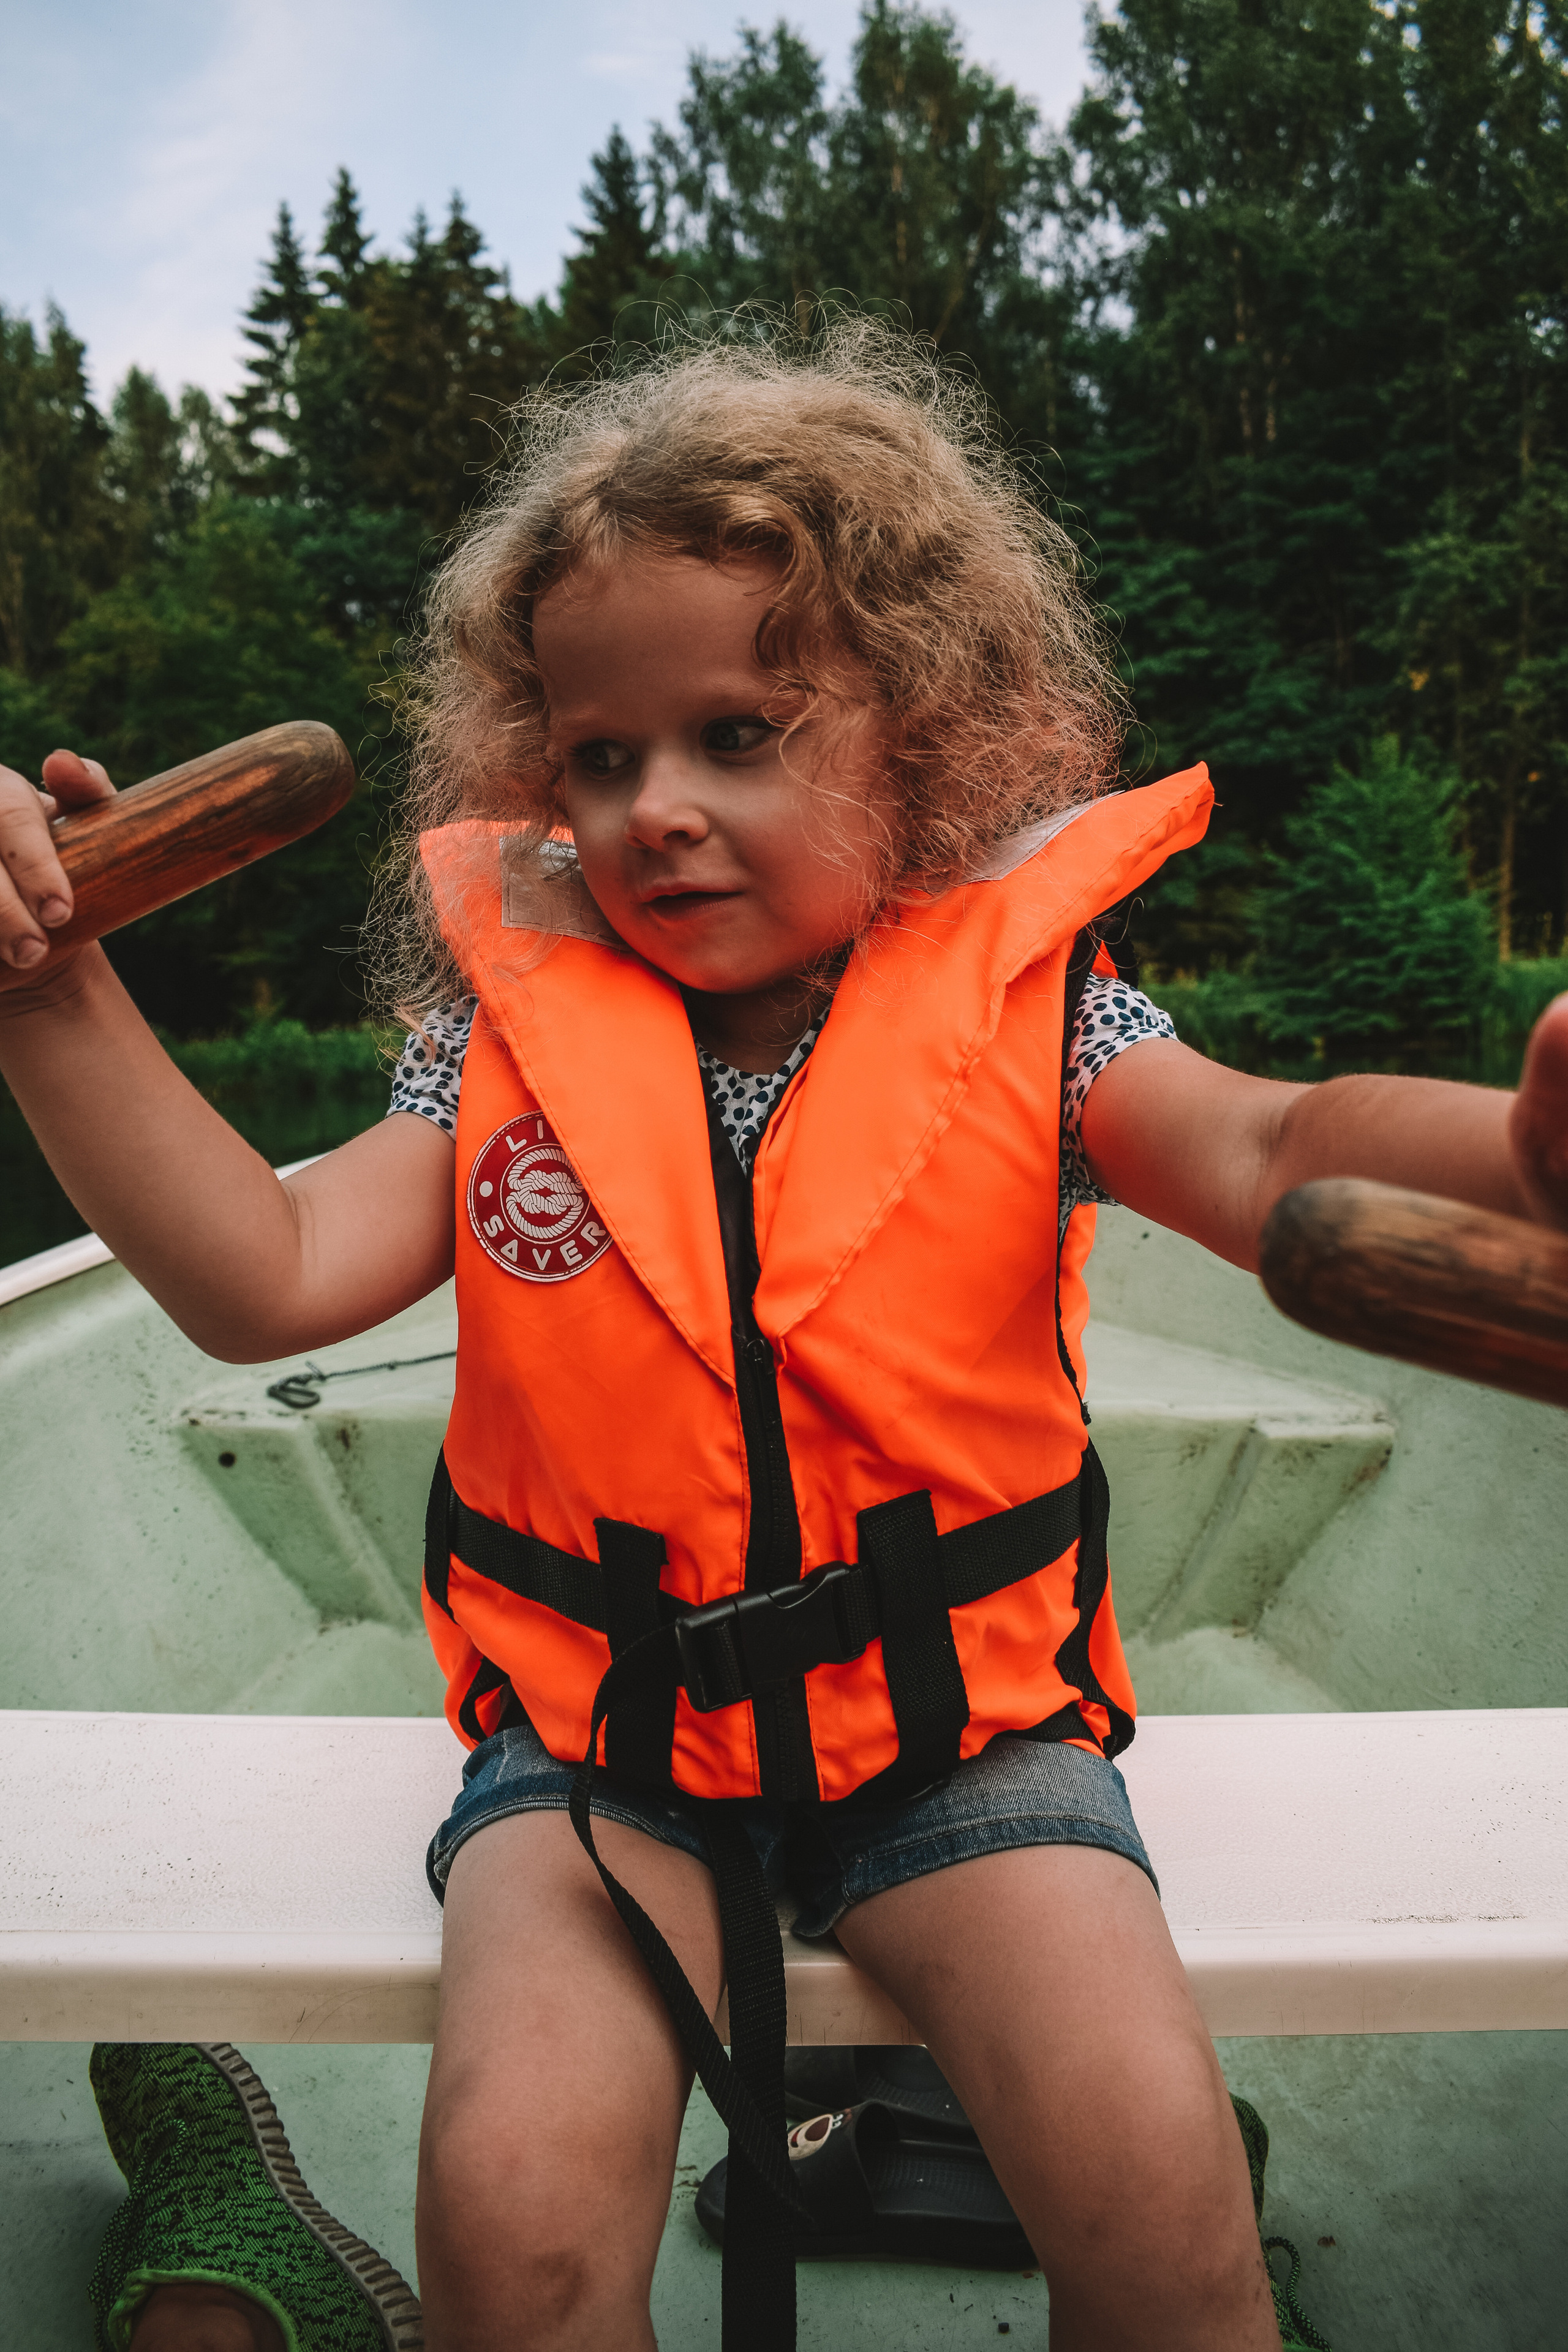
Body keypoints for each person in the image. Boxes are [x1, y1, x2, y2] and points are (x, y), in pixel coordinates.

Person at [2, 323, 1564, 2352]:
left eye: (742, 732)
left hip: (961, 1742)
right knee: (514, 2236)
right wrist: (47, 996)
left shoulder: (1046, 1015)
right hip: (599, 1752)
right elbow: (261, 1276)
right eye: (602, 752)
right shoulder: (494, 1047)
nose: (658, 807)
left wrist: (1516, 1161)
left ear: (923, 733)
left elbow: (1276, 1143)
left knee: (1165, 2212)